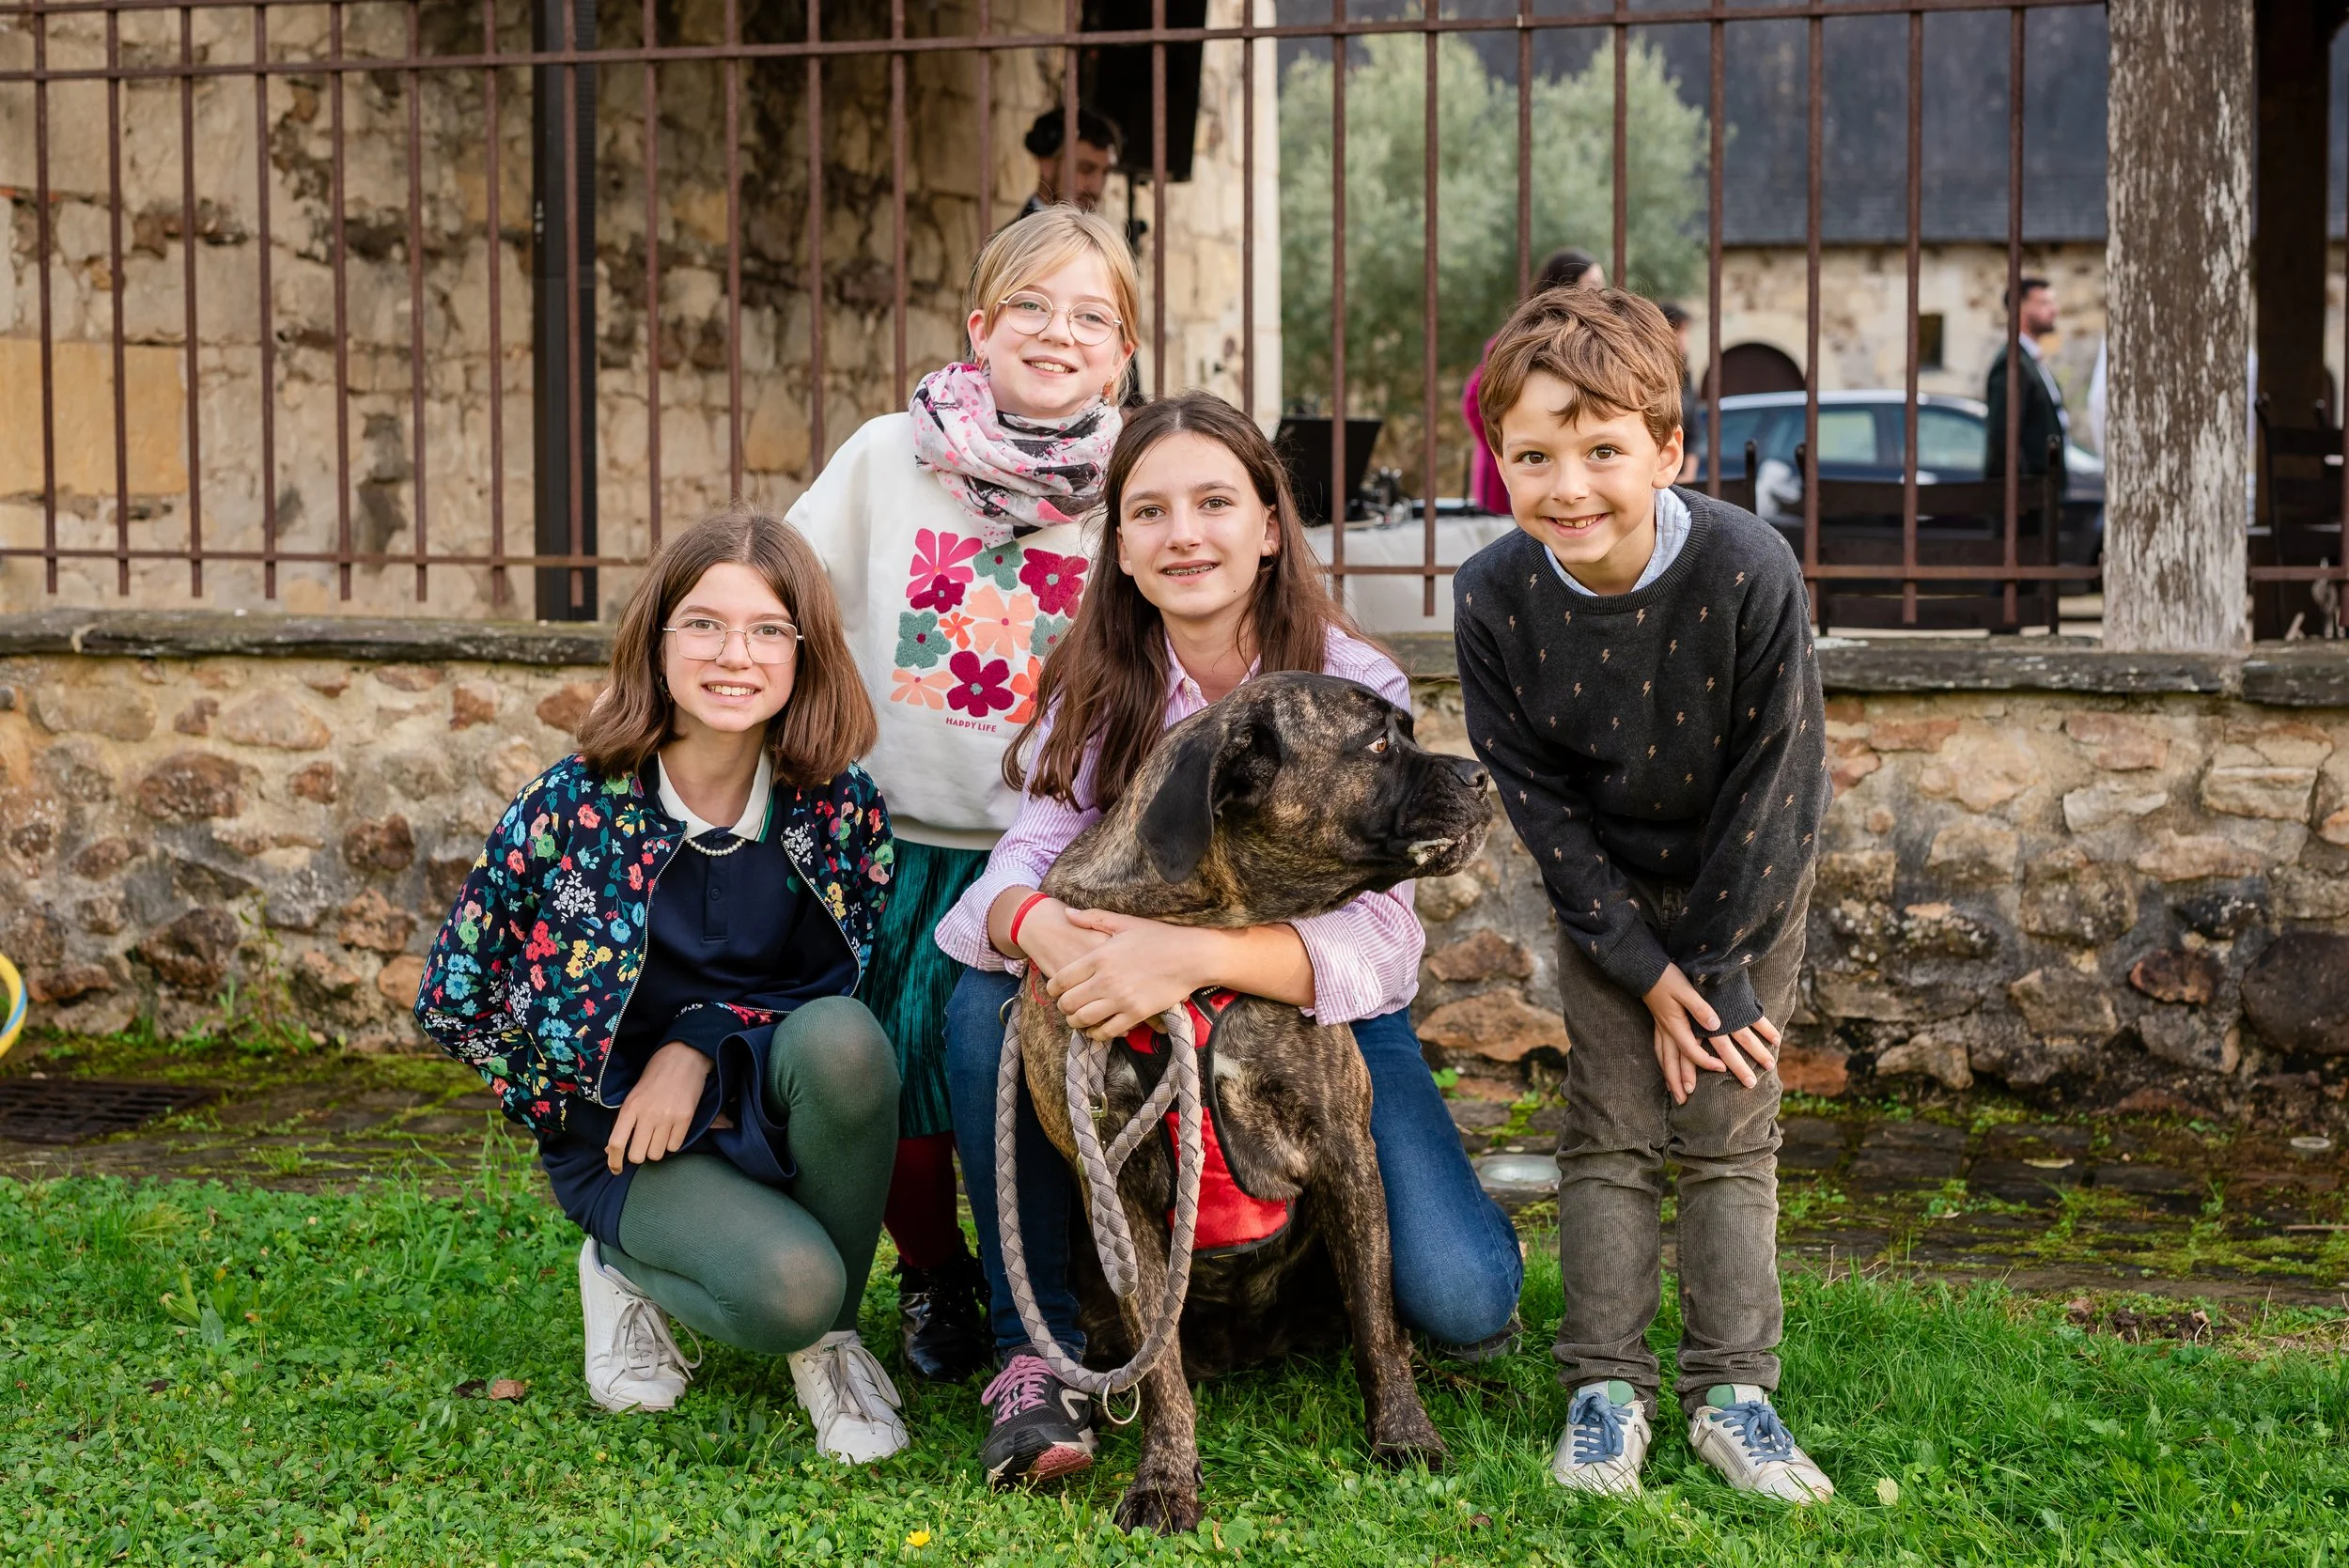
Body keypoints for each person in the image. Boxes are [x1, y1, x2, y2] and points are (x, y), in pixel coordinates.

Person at [937, 390, 1525, 1490]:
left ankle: (1385, 1255)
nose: (1184, 534)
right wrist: (1046, 936)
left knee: (1465, 1298)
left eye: (1214, 501)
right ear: (1119, 547)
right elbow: (1009, 873)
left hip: (1314, 1003)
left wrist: (1196, 957)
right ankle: (1035, 1352)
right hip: (1142, 995)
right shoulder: (1100, 685)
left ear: (1267, 522)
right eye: (1149, 512)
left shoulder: (1351, 683)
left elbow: (1386, 945)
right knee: (985, 1006)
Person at [414, 509, 909, 1463]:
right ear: (658, 638)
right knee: (788, 1289)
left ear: (805, 652)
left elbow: (845, 983)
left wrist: (699, 1042)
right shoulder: (576, 804)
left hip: (766, 1097)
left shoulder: (838, 806)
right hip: (623, 1139)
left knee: (847, 1040)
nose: (737, 655)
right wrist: (576, 1111)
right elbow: (456, 992)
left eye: (769, 629)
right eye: (705, 624)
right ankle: (622, 1265)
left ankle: (832, 1349)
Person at [1453, 286, 1834, 1502]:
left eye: (1603, 449)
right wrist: (1644, 968)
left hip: (1748, 878)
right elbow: (1540, 807)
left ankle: (1734, 1393)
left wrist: (1712, 976)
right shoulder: (1495, 595)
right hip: (1604, 892)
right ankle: (1604, 1391)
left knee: (1728, 1131)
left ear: (1669, 450)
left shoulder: (1748, 567)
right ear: (1498, 462)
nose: (1569, 485)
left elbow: (1780, 783)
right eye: (1534, 455)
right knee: (1608, 1135)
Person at [786, 206, 1139, 1384]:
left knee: (1027, 1088)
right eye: (1030, 307)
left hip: (1049, 861)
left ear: (1124, 350)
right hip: (893, 838)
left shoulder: (1138, 481)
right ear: (980, 326)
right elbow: (792, 585)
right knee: (901, 1096)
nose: (1058, 332)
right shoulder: (889, 455)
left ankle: (1042, 1293)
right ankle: (934, 1275)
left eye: (1091, 314)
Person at [1462, 247, 1608, 513]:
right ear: (1565, 285)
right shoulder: (1519, 341)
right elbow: (1476, 403)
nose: (1599, 293)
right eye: (1592, 284)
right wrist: (1513, 449)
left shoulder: (1590, 342)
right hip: (1518, 480)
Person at [1983, 276, 2069, 497]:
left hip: (2042, 493)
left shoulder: (2032, 361)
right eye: (2043, 303)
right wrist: (2025, 490)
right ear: (2019, 308)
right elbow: (2003, 435)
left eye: (2053, 302)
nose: (2054, 310)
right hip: (2026, 498)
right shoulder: (2012, 364)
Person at [1019, 106, 1122, 218]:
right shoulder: (1020, 235)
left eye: (1105, 173)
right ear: (1047, 164)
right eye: (1085, 169)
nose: (1096, 188)